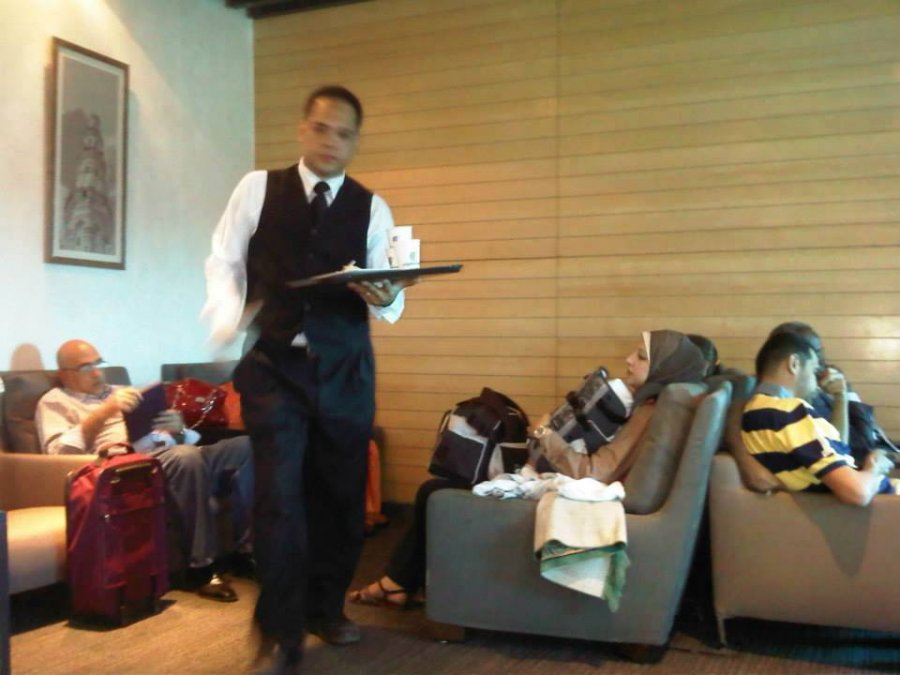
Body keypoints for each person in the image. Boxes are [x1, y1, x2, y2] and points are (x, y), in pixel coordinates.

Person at [202, 85, 412, 667]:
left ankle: (326, 608)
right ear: (302, 129)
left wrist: (387, 295)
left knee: (341, 497)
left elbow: (389, 295)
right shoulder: (257, 188)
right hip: (276, 369)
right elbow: (224, 259)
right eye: (321, 128)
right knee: (278, 498)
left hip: (346, 372)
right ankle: (282, 623)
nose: (330, 142)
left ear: (355, 142)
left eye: (344, 134)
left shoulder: (372, 207)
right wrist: (227, 316)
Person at [348, 329, 708, 609]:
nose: (628, 360)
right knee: (440, 488)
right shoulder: (656, 406)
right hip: (575, 483)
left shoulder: (649, 413)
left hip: (583, 495)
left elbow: (595, 471)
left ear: (663, 368)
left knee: (434, 492)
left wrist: (544, 434)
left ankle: (396, 583)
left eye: (641, 356)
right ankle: (399, 583)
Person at [35, 339, 253, 602]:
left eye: (98, 363)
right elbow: (58, 452)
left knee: (248, 446)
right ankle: (201, 569)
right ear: (63, 374)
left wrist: (178, 428)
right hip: (133, 468)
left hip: (174, 451)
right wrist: (106, 411)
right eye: (85, 368)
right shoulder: (55, 402)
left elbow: (187, 440)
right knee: (185, 458)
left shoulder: (123, 390)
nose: (97, 373)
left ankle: (247, 552)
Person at [741, 331, 898, 505]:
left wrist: (840, 397)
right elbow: (857, 493)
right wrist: (875, 466)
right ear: (794, 364)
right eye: (814, 372)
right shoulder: (790, 411)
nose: (817, 386)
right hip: (883, 502)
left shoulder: (754, 410)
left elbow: (836, 450)